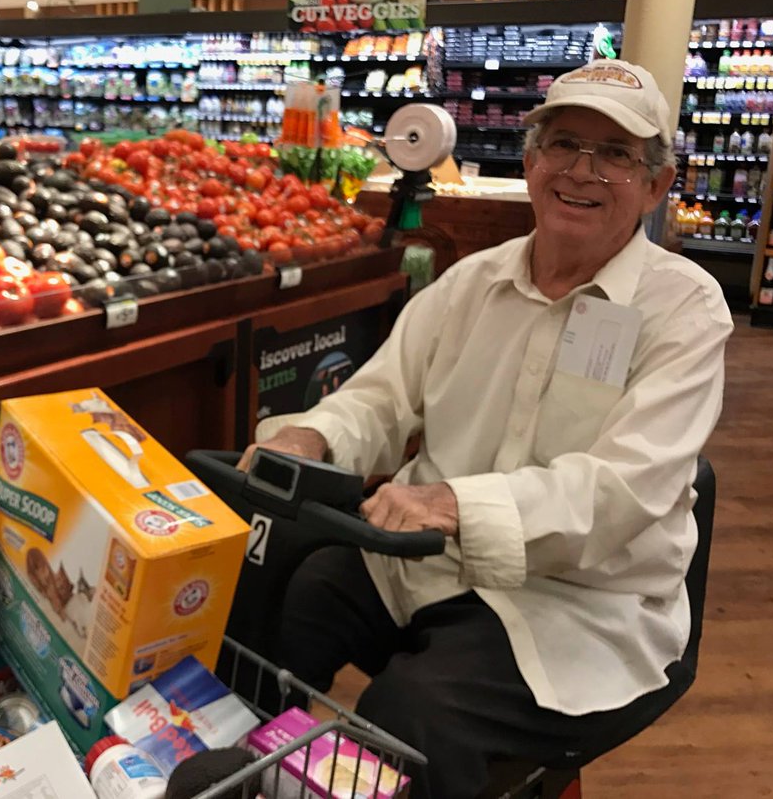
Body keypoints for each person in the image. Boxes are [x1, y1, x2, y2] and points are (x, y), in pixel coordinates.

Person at [241, 59, 734, 799]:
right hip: (422, 564)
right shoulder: (472, 282)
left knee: (413, 715)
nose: (582, 171)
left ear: (658, 185)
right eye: (564, 143)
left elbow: (624, 489)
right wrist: (310, 437)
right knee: (276, 601)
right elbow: (381, 396)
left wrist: (452, 504)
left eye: (617, 154)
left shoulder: (685, 312)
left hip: (576, 603)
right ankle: (224, 770)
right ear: (531, 160)